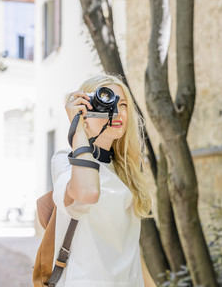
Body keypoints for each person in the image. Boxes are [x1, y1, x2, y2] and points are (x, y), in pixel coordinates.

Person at [50, 74, 156, 287]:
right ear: (85, 109)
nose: (116, 110)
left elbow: (131, 250)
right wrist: (78, 128)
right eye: (106, 101)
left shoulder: (126, 170)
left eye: (123, 104)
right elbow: (88, 193)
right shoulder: (64, 161)